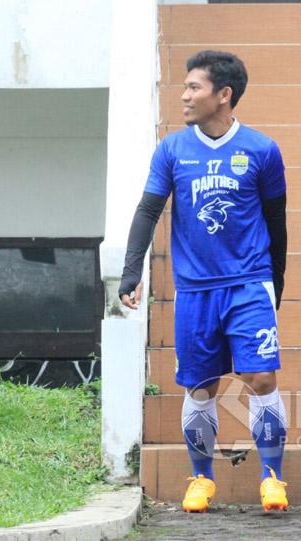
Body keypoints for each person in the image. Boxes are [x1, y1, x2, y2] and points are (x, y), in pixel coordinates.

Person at [118, 50, 289, 513]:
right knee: (200, 387)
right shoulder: (172, 150)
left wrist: (277, 282)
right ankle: (202, 478)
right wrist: (132, 271)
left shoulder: (261, 150)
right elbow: (148, 210)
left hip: (249, 283)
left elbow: (276, 221)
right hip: (194, 290)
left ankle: (273, 477)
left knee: (262, 376)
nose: (185, 95)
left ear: (224, 95)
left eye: (194, 87)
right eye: (185, 87)